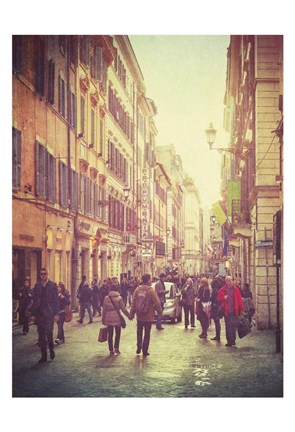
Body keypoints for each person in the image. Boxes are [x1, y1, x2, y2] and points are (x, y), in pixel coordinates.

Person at [30, 268, 59, 363]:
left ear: (47, 274)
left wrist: (56, 313)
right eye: (41, 274)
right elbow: (34, 301)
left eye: (44, 274)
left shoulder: (52, 285)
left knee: (49, 333)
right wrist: (33, 314)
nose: (43, 275)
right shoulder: (37, 286)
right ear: (39, 275)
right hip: (40, 314)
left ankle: (51, 350)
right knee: (41, 335)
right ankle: (43, 356)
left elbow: (56, 301)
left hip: (50, 314)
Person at [130, 274, 162, 356]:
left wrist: (132, 313)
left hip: (139, 315)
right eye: (150, 279)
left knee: (139, 332)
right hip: (148, 316)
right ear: (147, 280)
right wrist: (160, 313)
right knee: (147, 333)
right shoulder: (151, 290)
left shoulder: (137, 289)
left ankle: (138, 346)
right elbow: (157, 303)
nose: (151, 281)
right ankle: (145, 350)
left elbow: (133, 302)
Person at [102, 284, 131, 356]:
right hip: (117, 317)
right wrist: (129, 316)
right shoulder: (119, 298)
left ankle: (111, 350)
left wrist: (103, 318)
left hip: (108, 317)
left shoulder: (106, 298)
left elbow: (104, 309)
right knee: (117, 334)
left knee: (110, 334)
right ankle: (116, 348)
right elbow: (123, 309)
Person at [217, 275, 244, 347]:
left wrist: (241, 310)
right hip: (227, 311)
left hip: (234, 310)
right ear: (226, 282)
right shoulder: (223, 289)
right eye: (228, 280)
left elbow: (239, 300)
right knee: (228, 326)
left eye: (231, 280)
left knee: (234, 325)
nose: (230, 282)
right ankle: (229, 340)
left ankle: (233, 340)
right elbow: (219, 298)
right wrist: (223, 297)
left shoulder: (236, 289)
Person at [210, 276, 223, 341]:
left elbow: (212, 299)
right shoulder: (219, 290)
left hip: (215, 308)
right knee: (217, 322)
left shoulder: (215, 291)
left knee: (216, 322)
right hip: (218, 307)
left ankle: (218, 336)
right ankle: (218, 336)